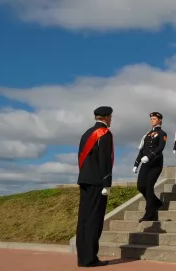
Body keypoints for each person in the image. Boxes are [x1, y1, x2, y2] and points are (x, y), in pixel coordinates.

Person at [76, 106, 115, 267]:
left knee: (83, 220)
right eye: (110, 117)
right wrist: (107, 183)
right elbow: (104, 160)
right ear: (106, 117)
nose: (111, 119)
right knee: (94, 220)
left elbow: (81, 156)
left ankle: (82, 257)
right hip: (97, 183)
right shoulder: (104, 134)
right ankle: (90, 258)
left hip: (85, 180)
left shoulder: (86, 133)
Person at [133, 111, 167, 222]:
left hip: (155, 163)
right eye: (151, 118)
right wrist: (136, 164)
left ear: (160, 120)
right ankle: (157, 203)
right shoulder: (146, 135)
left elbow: (160, 147)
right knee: (140, 186)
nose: (152, 120)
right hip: (145, 163)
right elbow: (142, 150)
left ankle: (149, 214)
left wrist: (150, 156)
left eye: (154, 118)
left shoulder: (162, 133)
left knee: (148, 187)